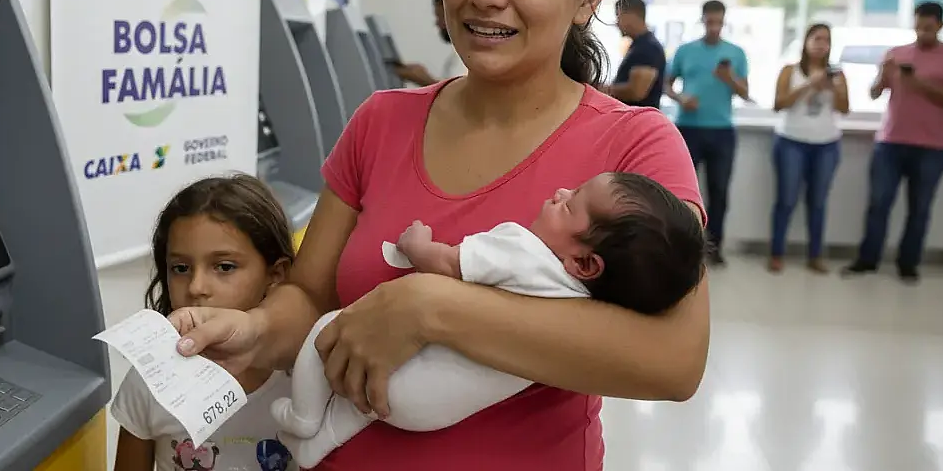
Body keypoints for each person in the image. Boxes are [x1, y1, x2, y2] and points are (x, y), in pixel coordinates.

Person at [168, 0, 710, 471]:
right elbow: (310, 296)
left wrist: (430, 307)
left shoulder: (636, 146)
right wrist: (257, 333)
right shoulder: (381, 121)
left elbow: (674, 359)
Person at [272, 173, 706, 469]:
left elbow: (446, 263)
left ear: (587, 263)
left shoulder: (524, 250)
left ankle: (305, 418)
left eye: (572, 205)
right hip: (434, 410)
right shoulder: (586, 302)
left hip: (401, 378)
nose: (560, 192)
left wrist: (416, 242)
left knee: (326, 332)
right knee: (361, 407)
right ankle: (321, 440)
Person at [112, 174, 298, 471]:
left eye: (224, 267)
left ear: (276, 274)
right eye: (181, 268)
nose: (197, 286)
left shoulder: (304, 378)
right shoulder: (148, 384)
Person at [843, 2, 943, 283]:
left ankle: (908, 264)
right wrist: (882, 73)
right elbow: (875, 93)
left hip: (931, 147)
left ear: (940, 25)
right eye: (918, 26)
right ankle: (867, 259)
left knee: (920, 208)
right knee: (878, 203)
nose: (922, 32)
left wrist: (920, 84)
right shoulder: (898, 54)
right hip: (890, 142)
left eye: (928, 27)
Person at [664, 0, 750, 265]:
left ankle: (715, 248)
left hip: (722, 132)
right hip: (688, 129)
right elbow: (666, 84)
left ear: (724, 23)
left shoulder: (736, 53)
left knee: (719, 191)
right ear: (702, 21)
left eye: (719, 23)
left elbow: (746, 93)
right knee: (681, 193)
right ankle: (680, 248)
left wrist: (729, 78)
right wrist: (680, 100)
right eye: (710, 22)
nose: (714, 27)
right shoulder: (685, 51)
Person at [768, 23, 849, 274]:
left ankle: (815, 255)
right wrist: (808, 85)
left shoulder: (837, 74)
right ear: (806, 42)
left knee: (818, 202)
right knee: (786, 200)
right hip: (791, 141)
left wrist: (832, 88)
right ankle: (776, 254)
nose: (821, 44)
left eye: (826, 39)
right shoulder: (790, 71)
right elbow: (779, 104)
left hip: (826, 144)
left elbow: (845, 108)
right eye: (816, 38)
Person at [607, 0, 666, 108]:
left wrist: (597, 89)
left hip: (640, 121)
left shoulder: (648, 47)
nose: (617, 23)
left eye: (618, 16)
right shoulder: (638, 46)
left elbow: (637, 92)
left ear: (631, 16)